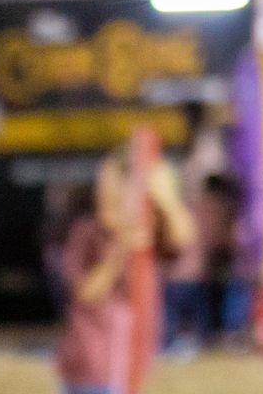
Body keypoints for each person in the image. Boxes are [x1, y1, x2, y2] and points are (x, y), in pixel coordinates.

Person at [55, 147, 196, 394]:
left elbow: (183, 239)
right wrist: (120, 251)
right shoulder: (86, 231)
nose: (102, 191)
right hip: (90, 367)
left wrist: (165, 198)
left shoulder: (147, 231)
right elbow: (86, 292)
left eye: (110, 184)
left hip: (133, 363)